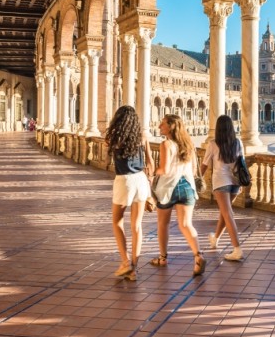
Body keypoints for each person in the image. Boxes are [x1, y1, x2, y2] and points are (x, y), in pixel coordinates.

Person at [150, 114, 205, 275]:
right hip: (187, 186)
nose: (160, 126)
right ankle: (198, 255)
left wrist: (152, 172)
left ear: (171, 127)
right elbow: (194, 170)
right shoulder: (189, 144)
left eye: (163, 123)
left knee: (163, 223)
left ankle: (163, 257)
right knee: (186, 224)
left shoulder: (166, 144)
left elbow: (164, 170)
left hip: (168, 188)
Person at [105, 105, 153, 281]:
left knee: (117, 222)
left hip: (124, 180)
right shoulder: (142, 137)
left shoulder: (114, 138)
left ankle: (125, 262)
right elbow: (151, 163)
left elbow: (108, 150)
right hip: (141, 179)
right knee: (137, 226)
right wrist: (150, 183)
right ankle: (134, 268)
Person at [203, 114, 244, 262]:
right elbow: (242, 163)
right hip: (235, 182)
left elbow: (205, 164)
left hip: (220, 182)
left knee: (227, 214)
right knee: (225, 212)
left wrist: (197, 179)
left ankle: (237, 248)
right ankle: (215, 238)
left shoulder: (213, 144)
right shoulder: (238, 143)